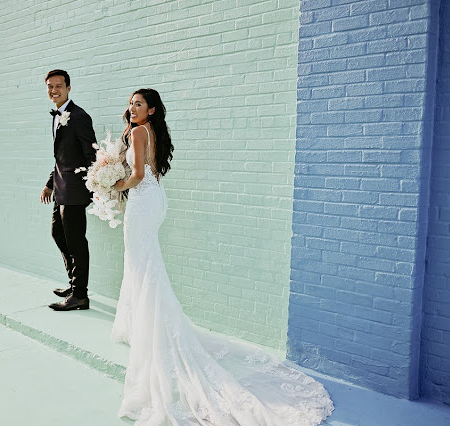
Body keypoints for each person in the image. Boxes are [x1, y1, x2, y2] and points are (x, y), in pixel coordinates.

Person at [112, 88, 334, 425]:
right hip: (153, 200)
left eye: (138, 104)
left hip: (143, 202)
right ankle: (142, 323)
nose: (132, 108)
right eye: (131, 103)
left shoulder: (141, 131)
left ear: (152, 110)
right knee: (145, 263)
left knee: (142, 263)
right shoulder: (143, 131)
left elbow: (138, 175)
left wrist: (113, 186)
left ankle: (149, 328)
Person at [40, 69, 97, 311]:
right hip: (61, 188)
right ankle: (74, 285)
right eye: (50, 86)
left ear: (69, 88)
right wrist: (50, 183)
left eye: (59, 86)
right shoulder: (57, 116)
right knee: (57, 234)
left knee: (76, 242)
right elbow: (61, 158)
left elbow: (91, 155)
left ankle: (80, 296)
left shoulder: (80, 116)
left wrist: (91, 187)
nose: (54, 90)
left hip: (74, 192)